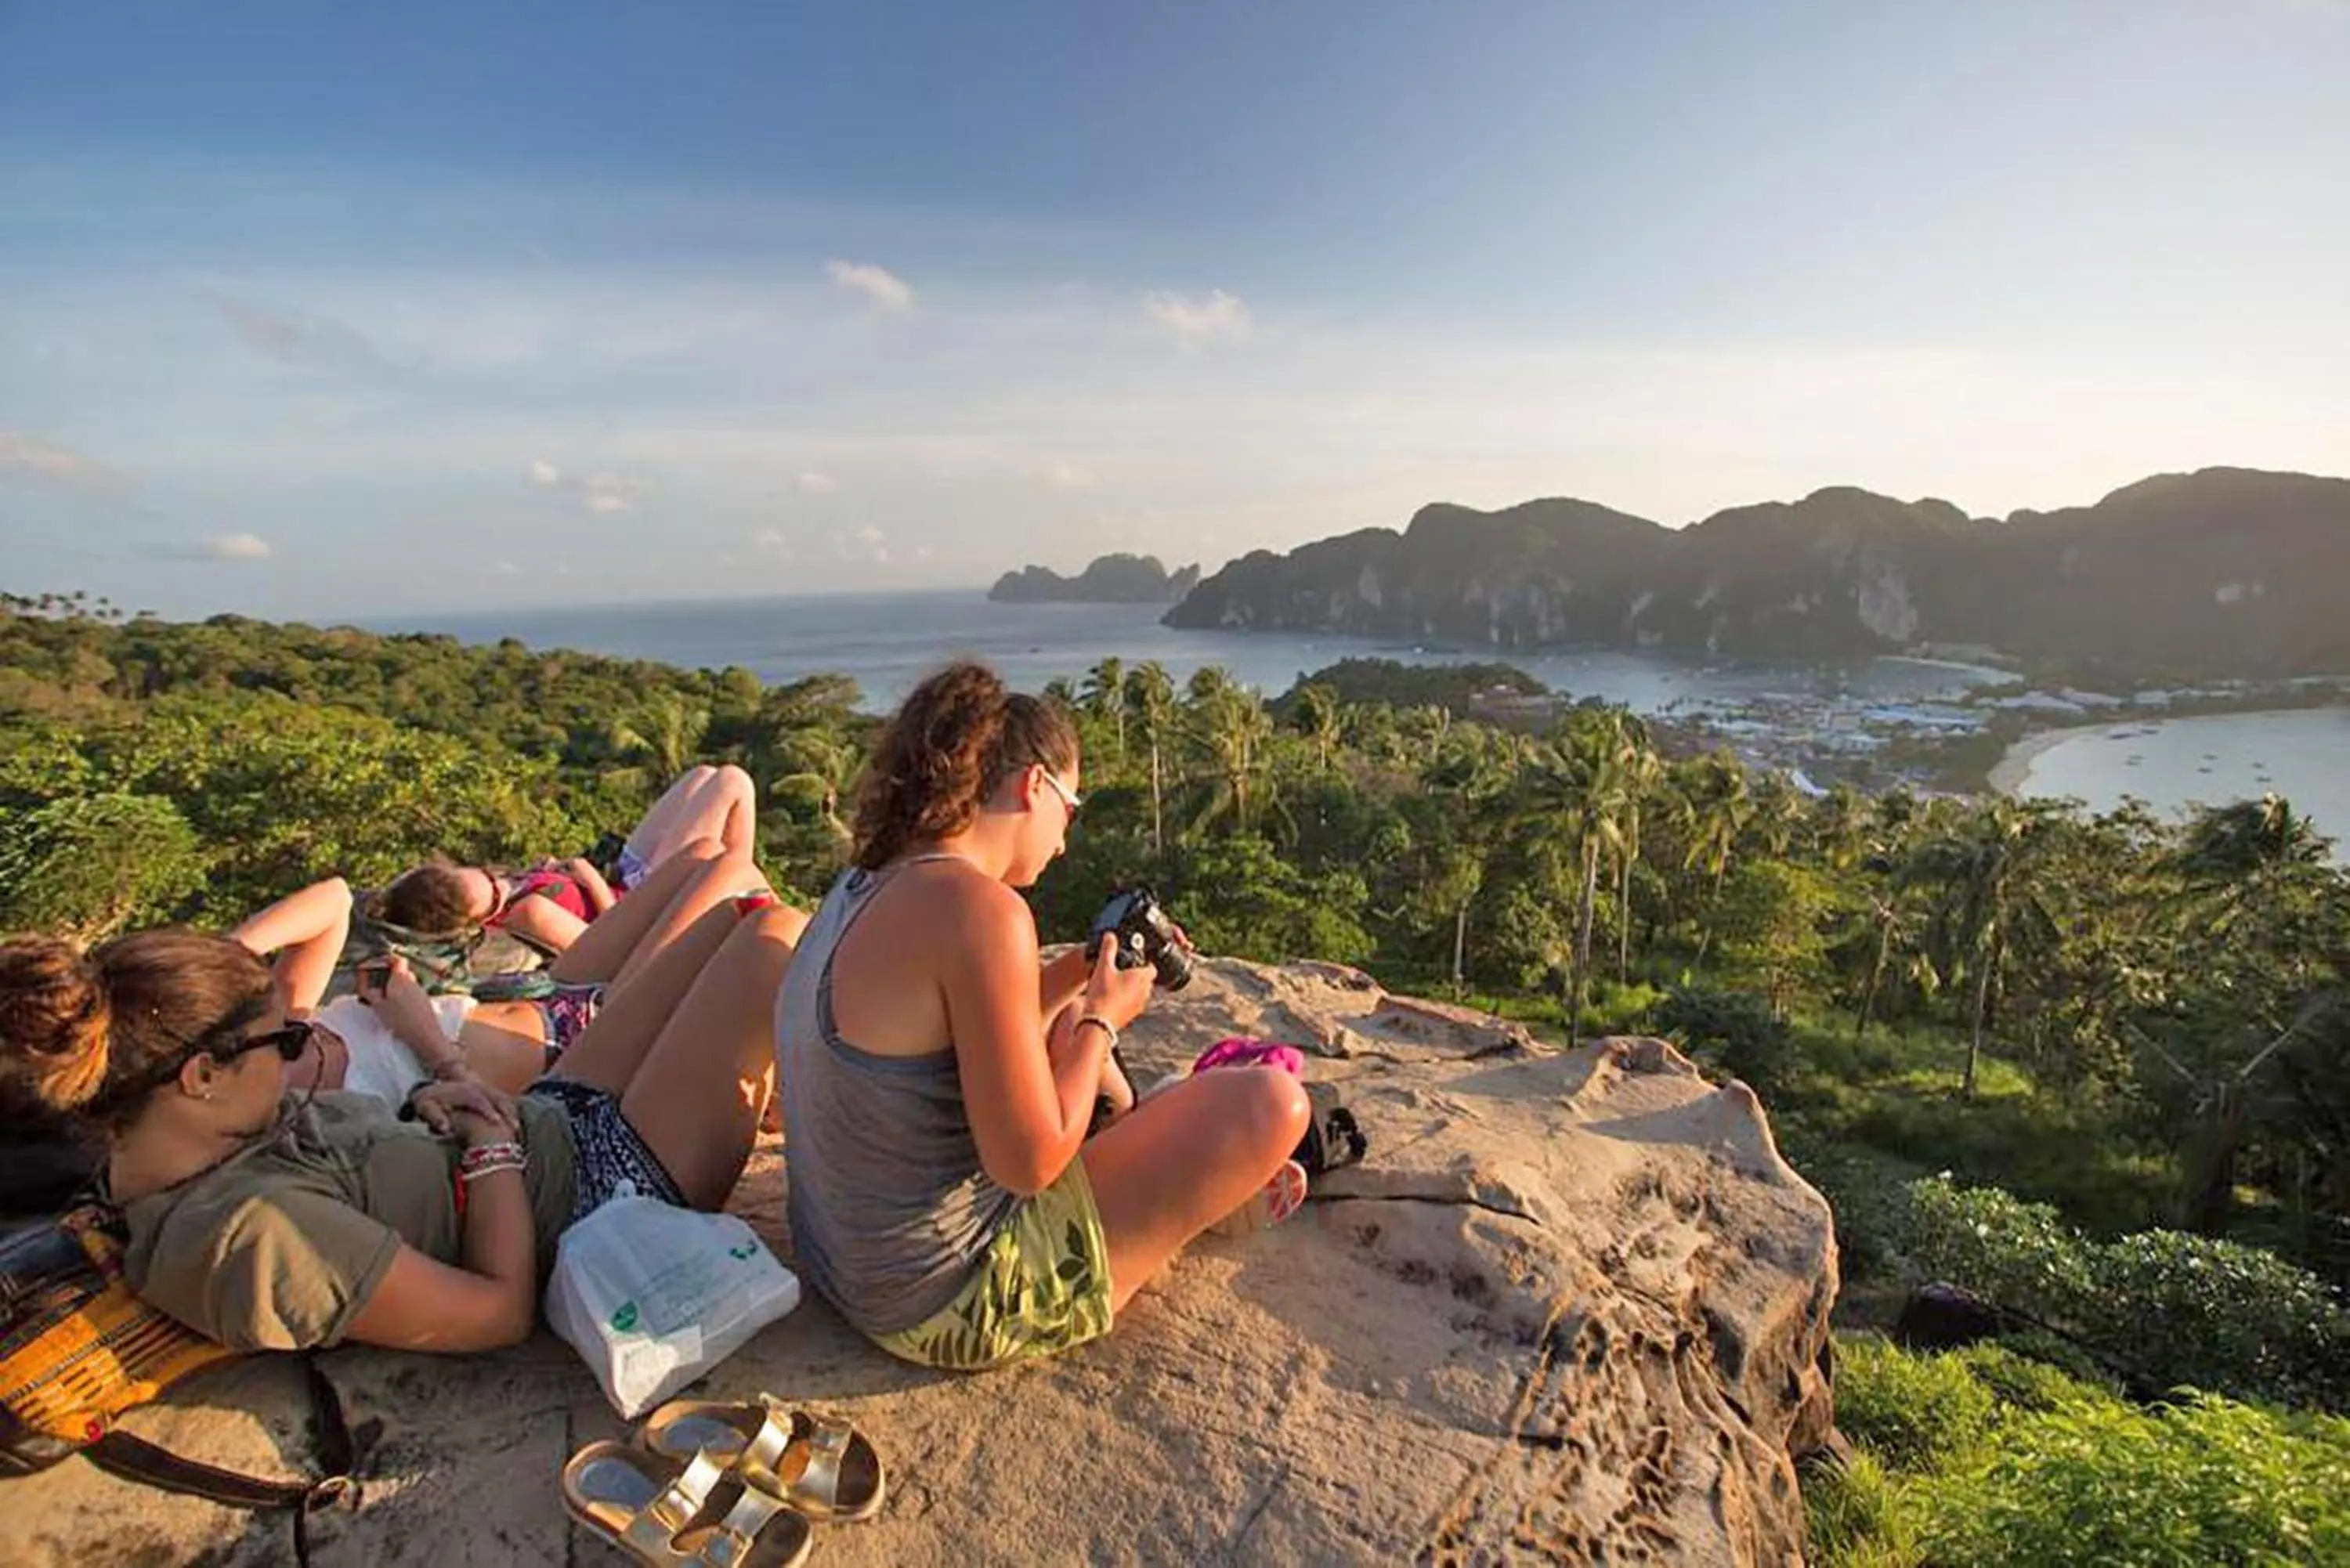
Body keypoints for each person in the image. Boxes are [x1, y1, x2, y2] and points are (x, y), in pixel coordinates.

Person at [776, 661, 1310, 1372]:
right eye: (1071, 809)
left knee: (1064, 1047)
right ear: (1033, 785)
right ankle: (1181, 1218)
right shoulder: (982, 910)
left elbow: (949, 1037)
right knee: (1273, 1104)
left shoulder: (865, 882)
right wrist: (1100, 1020)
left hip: (843, 1266)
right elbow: (1027, 1164)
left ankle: (1160, 1196)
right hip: (948, 1301)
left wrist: (1079, 974)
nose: (1064, 841)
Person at [0, 894, 800, 1354]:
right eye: (281, 1041)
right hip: (601, 1195)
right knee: (774, 938)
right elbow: (495, 1315)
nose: (300, 1051)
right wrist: (487, 1153)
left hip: (545, 1122)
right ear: (200, 1075)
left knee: (739, 915)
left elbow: (383, 1170)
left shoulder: (190, 1145)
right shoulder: (250, 1233)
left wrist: (439, 1094)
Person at [273, 847, 808, 1100]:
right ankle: (805, 1067)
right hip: (581, 1042)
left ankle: (792, 1069)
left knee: (705, 857)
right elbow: (445, 1089)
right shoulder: (287, 1107)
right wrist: (416, 1023)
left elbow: (334, 901)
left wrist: (225, 951)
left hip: (547, 997)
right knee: (742, 887)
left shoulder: (275, 1037)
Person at [374, 764, 761, 956]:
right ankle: (740, 896)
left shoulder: (509, 894)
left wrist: (546, 871)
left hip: (627, 879)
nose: (496, 884)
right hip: (644, 904)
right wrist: (587, 877)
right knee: (732, 782)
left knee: (702, 775)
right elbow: (609, 950)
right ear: (471, 917)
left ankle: (734, 889)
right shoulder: (528, 914)